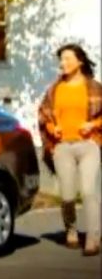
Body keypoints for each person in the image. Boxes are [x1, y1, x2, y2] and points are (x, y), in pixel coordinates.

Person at [38, 43, 102, 256]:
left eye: (67, 58)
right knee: (67, 195)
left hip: (89, 145)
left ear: (79, 62)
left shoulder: (94, 87)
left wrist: (93, 125)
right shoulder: (54, 89)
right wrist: (52, 128)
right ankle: (71, 231)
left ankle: (93, 239)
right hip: (62, 147)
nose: (62, 63)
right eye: (61, 59)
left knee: (89, 191)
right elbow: (43, 115)